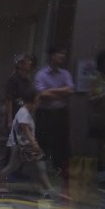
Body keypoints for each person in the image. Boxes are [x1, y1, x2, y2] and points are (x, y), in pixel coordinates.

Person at [0, 89, 56, 195]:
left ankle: (47, 187)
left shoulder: (24, 112)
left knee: (31, 165)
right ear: (33, 100)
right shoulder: (23, 112)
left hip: (22, 145)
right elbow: (25, 129)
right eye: (37, 100)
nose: (39, 102)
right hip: (22, 146)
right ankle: (48, 188)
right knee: (37, 164)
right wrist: (34, 143)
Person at [33, 45, 75, 182]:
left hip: (61, 113)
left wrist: (51, 91)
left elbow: (70, 90)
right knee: (44, 142)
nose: (63, 56)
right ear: (52, 55)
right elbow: (42, 94)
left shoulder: (65, 73)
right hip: (45, 114)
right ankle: (42, 176)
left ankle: (61, 174)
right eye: (60, 53)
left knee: (62, 143)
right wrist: (60, 92)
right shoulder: (41, 74)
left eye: (64, 54)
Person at [2, 52, 36, 137]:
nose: (30, 63)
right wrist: (10, 121)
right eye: (27, 61)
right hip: (15, 115)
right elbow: (9, 99)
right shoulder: (13, 79)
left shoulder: (27, 82)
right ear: (20, 65)